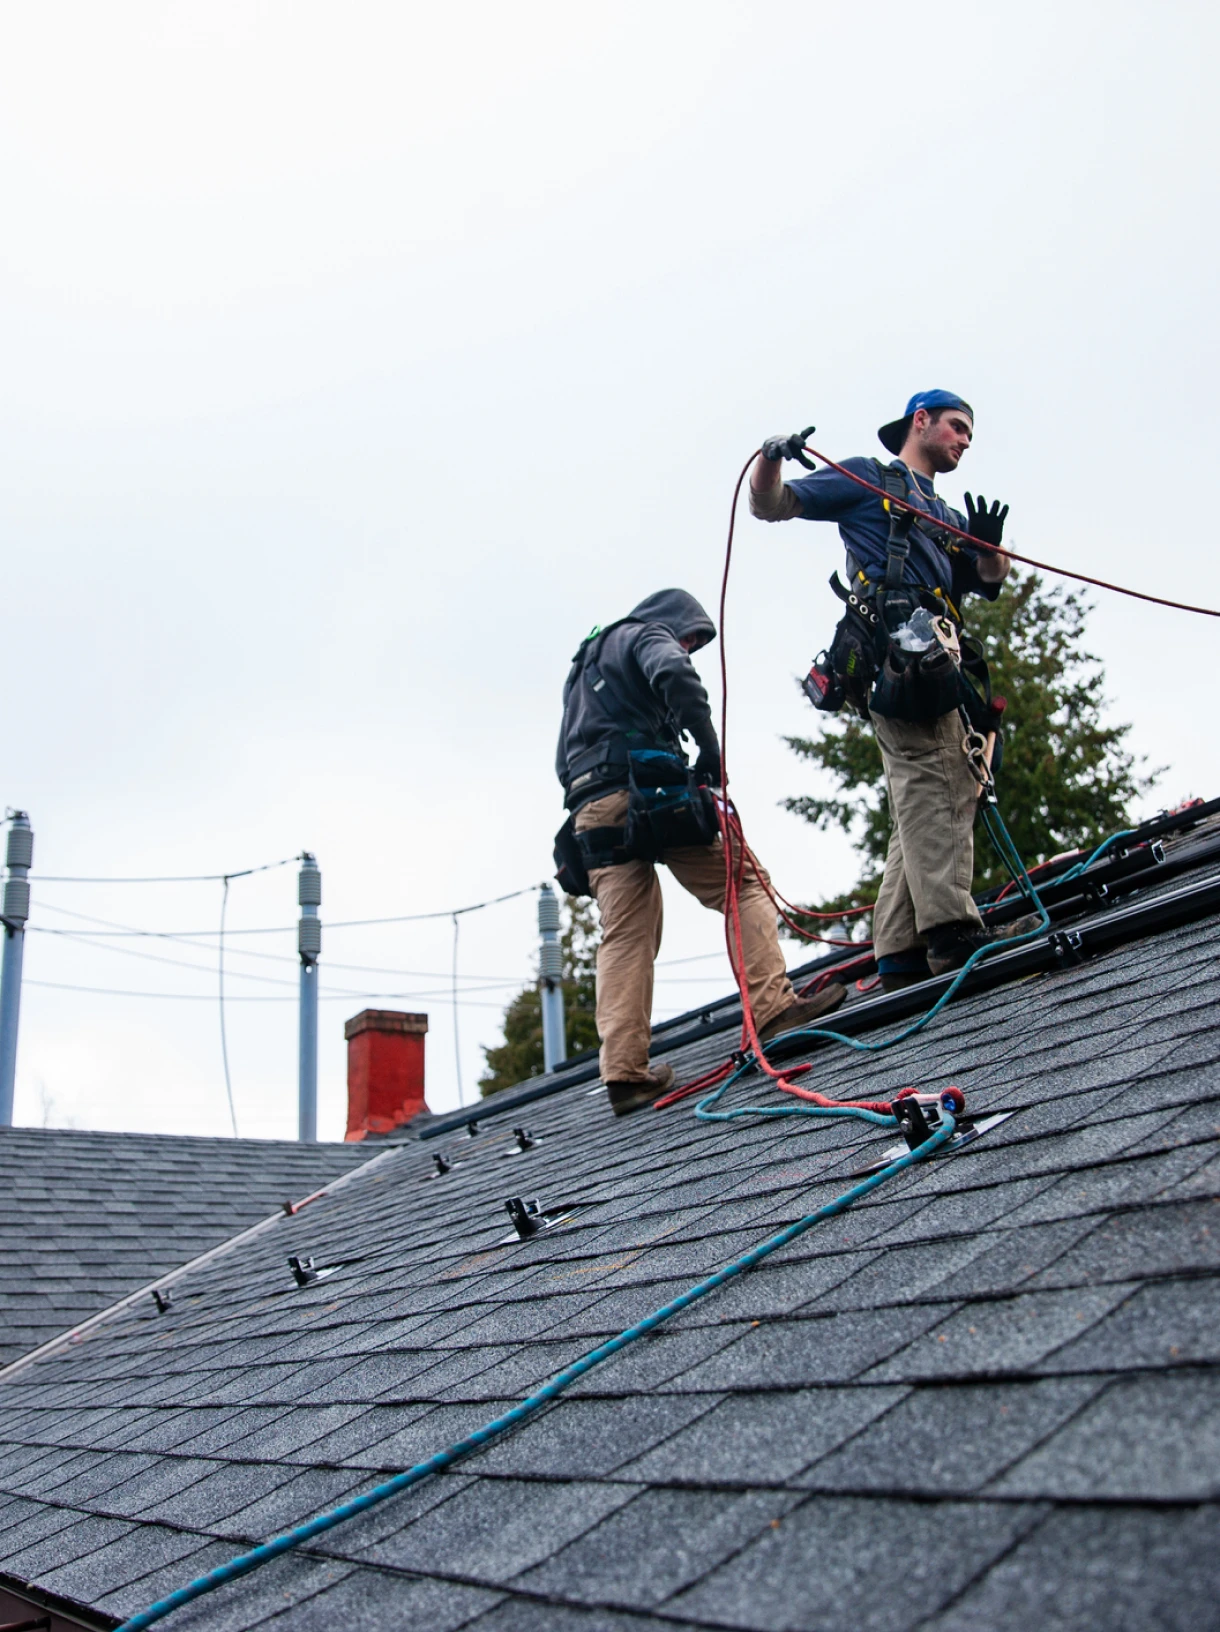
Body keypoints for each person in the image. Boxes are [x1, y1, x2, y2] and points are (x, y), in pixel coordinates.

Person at [749, 390, 1013, 989]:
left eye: (969, 434)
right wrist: (771, 456)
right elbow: (771, 504)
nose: (964, 441)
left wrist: (989, 546)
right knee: (942, 775)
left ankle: (897, 946)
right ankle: (950, 930)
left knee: (921, 786)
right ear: (919, 421)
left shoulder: (944, 514)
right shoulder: (868, 480)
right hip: (900, 646)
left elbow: (989, 581)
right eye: (957, 427)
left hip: (932, 646)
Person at [555, 587, 846, 1116]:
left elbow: (563, 762)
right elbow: (675, 674)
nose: (688, 648)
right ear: (670, 621)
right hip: (646, 794)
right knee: (742, 882)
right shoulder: (645, 634)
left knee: (626, 933)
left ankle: (624, 1072)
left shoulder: (583, 668)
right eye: (689, 638)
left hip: (589, 813)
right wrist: (708, 750)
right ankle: (774, 1007)